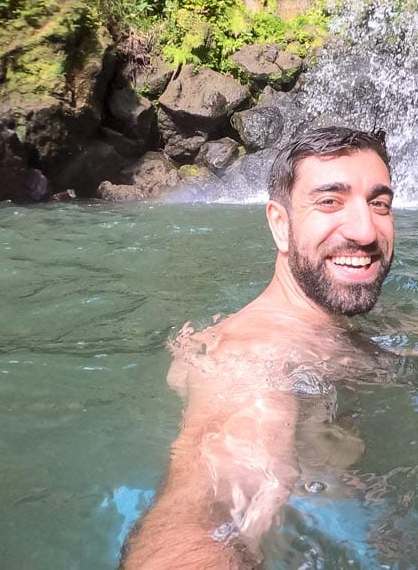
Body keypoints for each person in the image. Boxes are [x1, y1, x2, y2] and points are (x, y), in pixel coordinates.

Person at [122, 127, 396, 569]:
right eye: (330, 201)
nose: (365, 230)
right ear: (281, 225)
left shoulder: (331, 325)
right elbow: (200, 514)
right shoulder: (255, 358)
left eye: (379, 204)